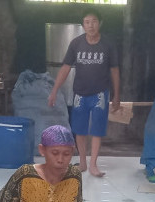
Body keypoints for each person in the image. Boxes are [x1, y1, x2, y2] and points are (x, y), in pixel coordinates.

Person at [48, 8, 120, 177]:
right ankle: (82, 162)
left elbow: (115, 70)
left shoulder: (108, 45)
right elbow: (65, 68)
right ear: (83, 25)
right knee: (79, 130)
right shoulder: (76, 43)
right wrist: (54, 91)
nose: (91, 25)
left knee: (97, 130)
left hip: (100, 94)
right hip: (80, 93)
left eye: (94, 21)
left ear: (99, 23)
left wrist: (117, 95)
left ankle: (93, 164)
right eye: (87, 22)